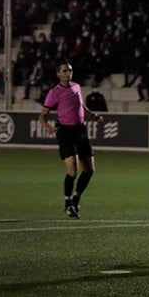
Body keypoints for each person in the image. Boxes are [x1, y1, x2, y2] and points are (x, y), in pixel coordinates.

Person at [38, 61, 104, 219]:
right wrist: (47, 126)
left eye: (70, 70)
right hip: (65, 132)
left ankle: (76, 197)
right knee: (72, 170)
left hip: (80, 130)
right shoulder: (54, 92)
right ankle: (68, 204)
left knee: (89, 170)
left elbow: (81, 105)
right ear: (58, 74)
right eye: (65, 70)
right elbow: (42, 115)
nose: (69, 73)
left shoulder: (76, 87)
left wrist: (92, 114)